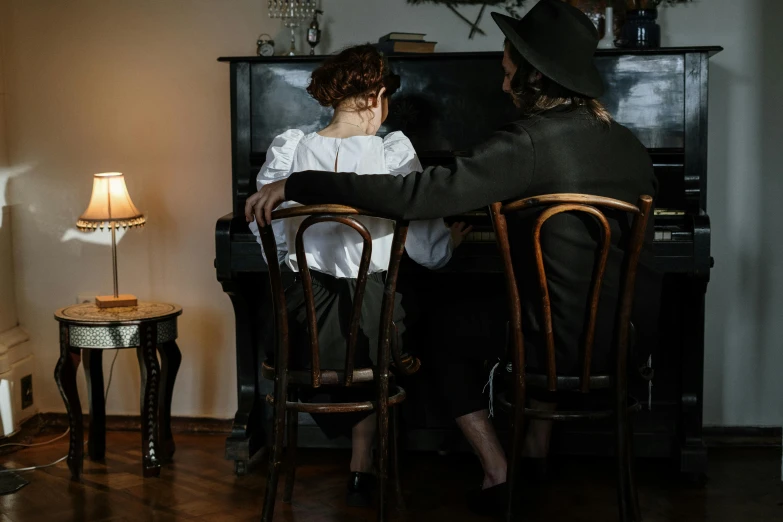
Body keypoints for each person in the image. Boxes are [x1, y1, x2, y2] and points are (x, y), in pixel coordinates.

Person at [246, 0, 660, 515]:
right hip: (628, 333)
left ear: (535, 78)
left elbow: (419, 196)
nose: (504, 86)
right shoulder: (627, 143)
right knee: (541, 301)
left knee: (443, 329)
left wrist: (300, 182)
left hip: (553, 335)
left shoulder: (528, 141)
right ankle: (535, 457)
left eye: (510, 75)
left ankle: (498, 471)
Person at [248, 44, 471, 508]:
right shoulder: (393, 155)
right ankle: (362, 465)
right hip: (369, 330)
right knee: (383, 316)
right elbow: (430, 254)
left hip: (298, 328)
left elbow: (272, 244)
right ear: (377, 97)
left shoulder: (288, 151)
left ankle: (291, 464)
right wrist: (454, 240)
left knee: (350, 312)